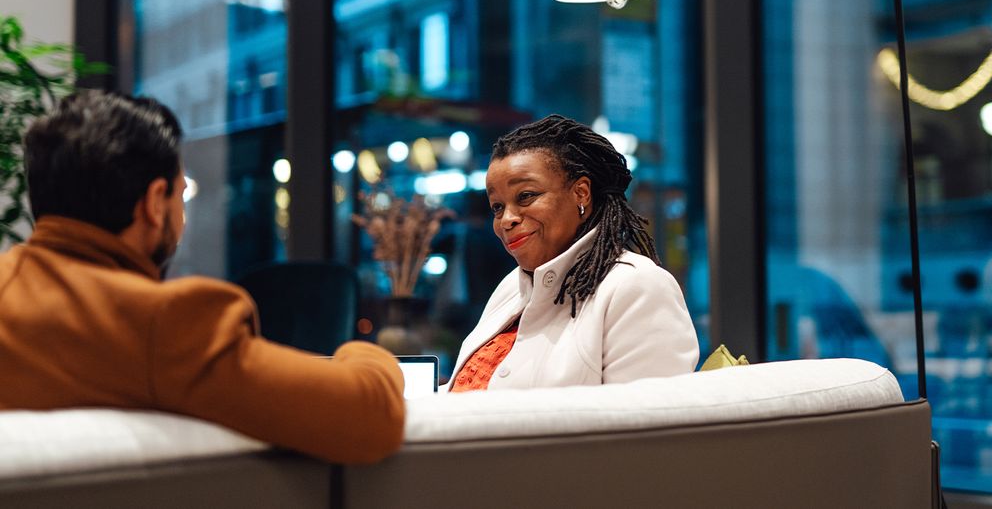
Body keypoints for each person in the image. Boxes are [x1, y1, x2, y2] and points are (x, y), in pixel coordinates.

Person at [0, 91, 405, 464]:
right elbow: (370, 415)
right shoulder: (162, 325)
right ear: (156, 203)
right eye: (181, 194)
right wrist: (363, 354)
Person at [448, 115, 699, 391]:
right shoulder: (511, 287)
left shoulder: (639, 286)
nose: (507, 219)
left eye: (526, 196)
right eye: (497, 207)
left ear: (581, 193)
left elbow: (645, 425)